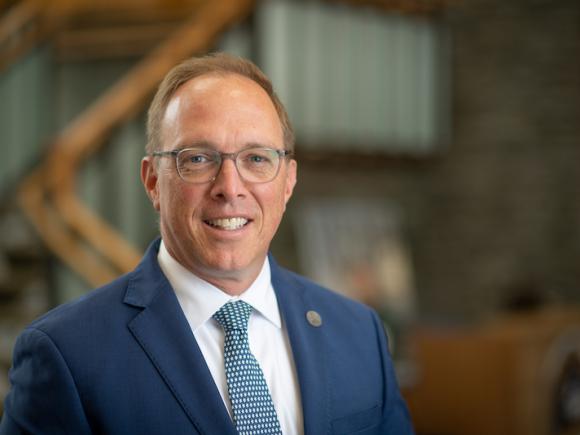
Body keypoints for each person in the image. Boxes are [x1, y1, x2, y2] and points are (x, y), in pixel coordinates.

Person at [0, 53, 413, 434]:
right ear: (152, 182)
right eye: (198, 158)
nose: (230, 188)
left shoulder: (360, 333)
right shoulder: (65, 355)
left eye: (256, 158)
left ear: (287, 182)